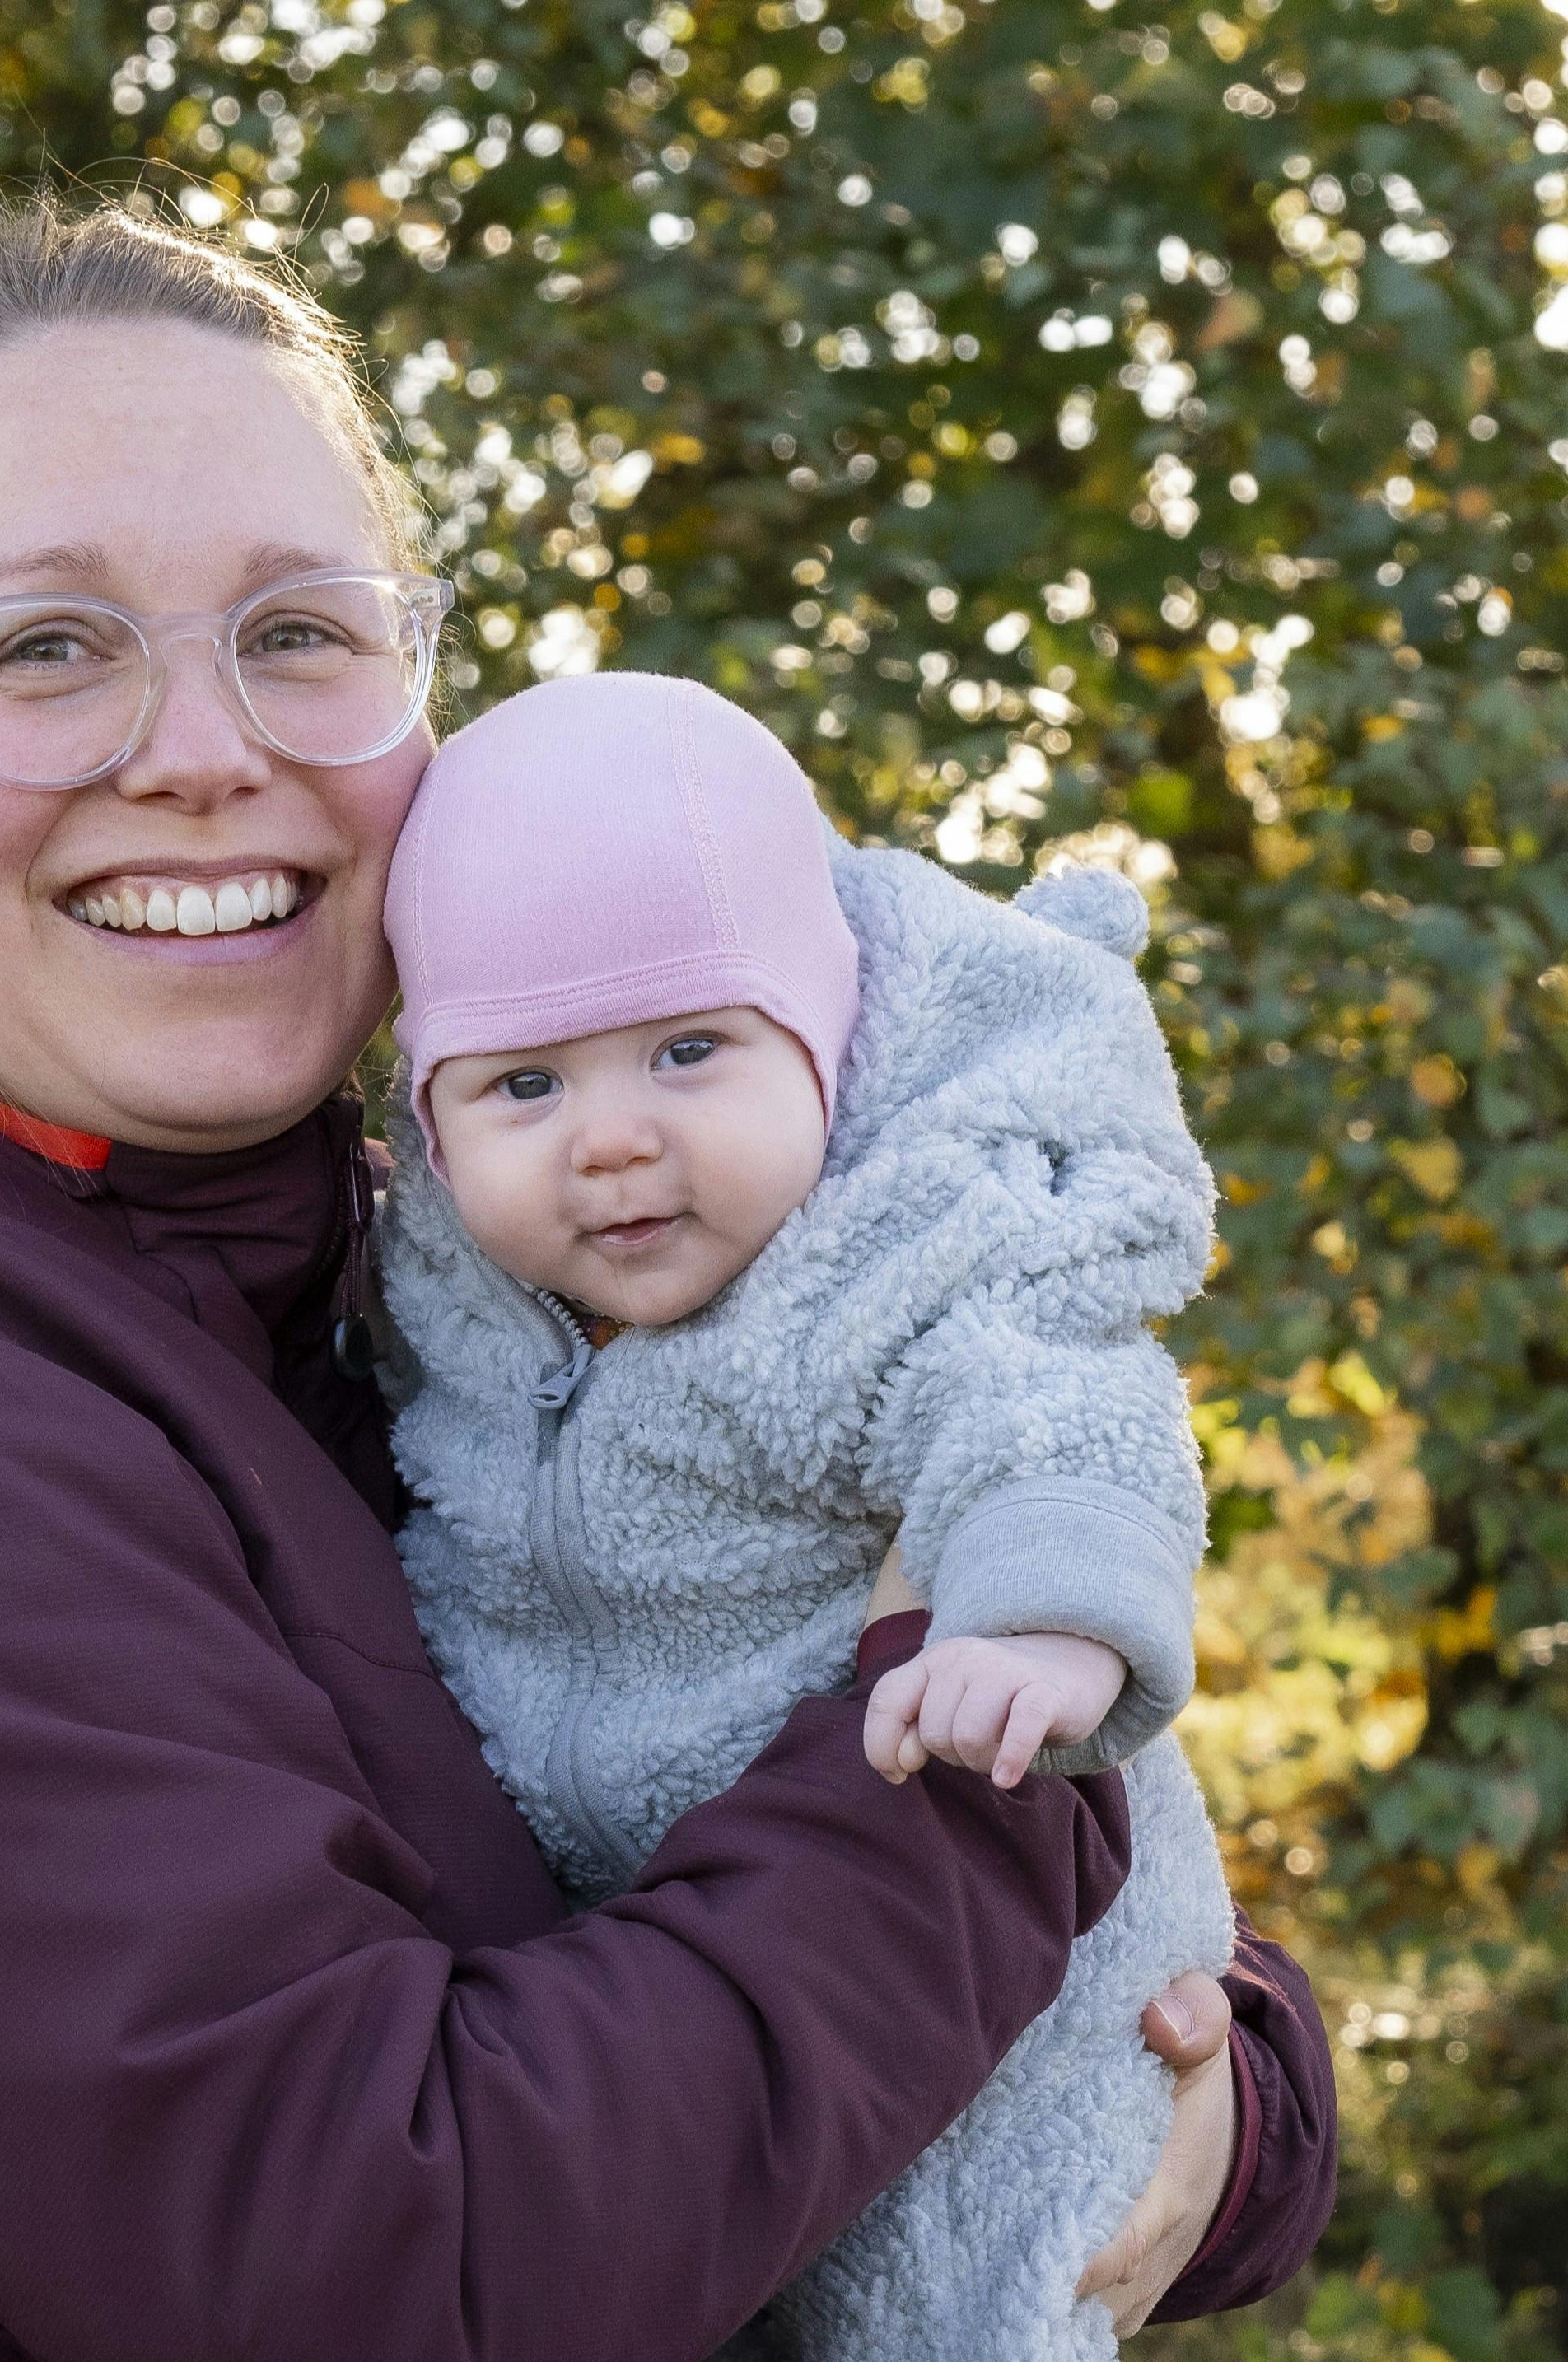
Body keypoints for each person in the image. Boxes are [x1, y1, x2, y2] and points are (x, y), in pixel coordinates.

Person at [0, 197, 1336, 2362]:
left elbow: (714, 1778)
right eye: (43, 645)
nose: (202, 747)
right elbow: (392, 2256)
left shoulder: (416, 1276)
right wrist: (995, 1772)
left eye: (300, 630)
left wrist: (1217, 2069)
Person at [377, 669, 1233, 2362]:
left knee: (980, 2298)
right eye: (521, 1087)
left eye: (687, 1051)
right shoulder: (431, 1310)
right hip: (678, 2013)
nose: (611, 1141)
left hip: (1006, 1970)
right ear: (422, 1116)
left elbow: (1054, 1402)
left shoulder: (893, 1255)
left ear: (822, 1048)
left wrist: (1038, 1629)